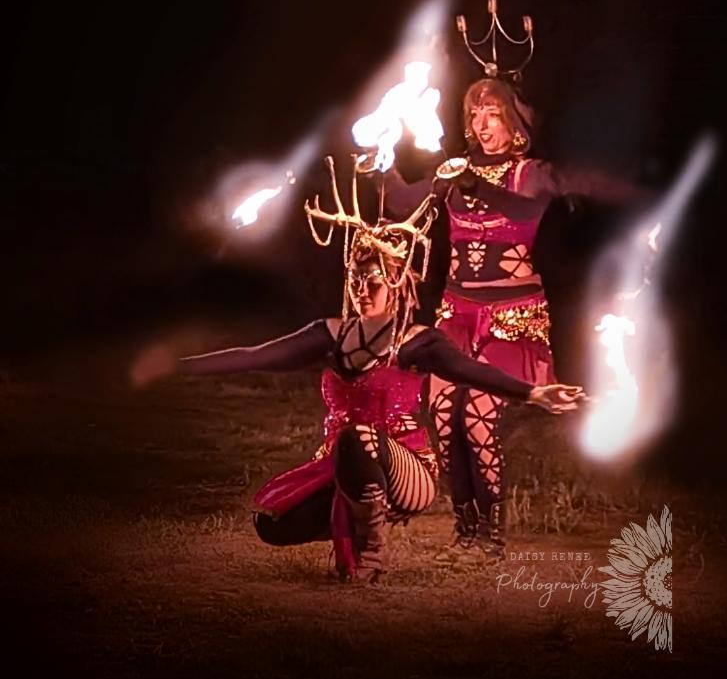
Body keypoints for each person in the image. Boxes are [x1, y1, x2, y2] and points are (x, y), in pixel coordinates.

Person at [132, 157, 584, 583]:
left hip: (408, 473)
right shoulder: (330, 334)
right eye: (357, 280)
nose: (363, 290)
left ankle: (373, 554)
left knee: (357, 437)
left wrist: (534, 393)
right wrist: (178, 365)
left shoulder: (417, 341)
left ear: (398, 285)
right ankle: (355, 515)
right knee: (271, 525)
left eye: (374, 282)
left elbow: (470, 371)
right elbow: (256, 356)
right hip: (345, 465)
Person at [385, 74, 648, 557]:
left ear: (515, 123)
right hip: (456, 314)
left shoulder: (531, 174)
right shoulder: (454, 171)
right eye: (475, 113)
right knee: (443, 415)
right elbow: (403, 201)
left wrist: (473, 186)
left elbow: (522, 212)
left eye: (493, 113)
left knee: (478, 416)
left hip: (512, 318)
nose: (482, 124)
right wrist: (378, 166)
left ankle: (491, 537)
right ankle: (465, 531)